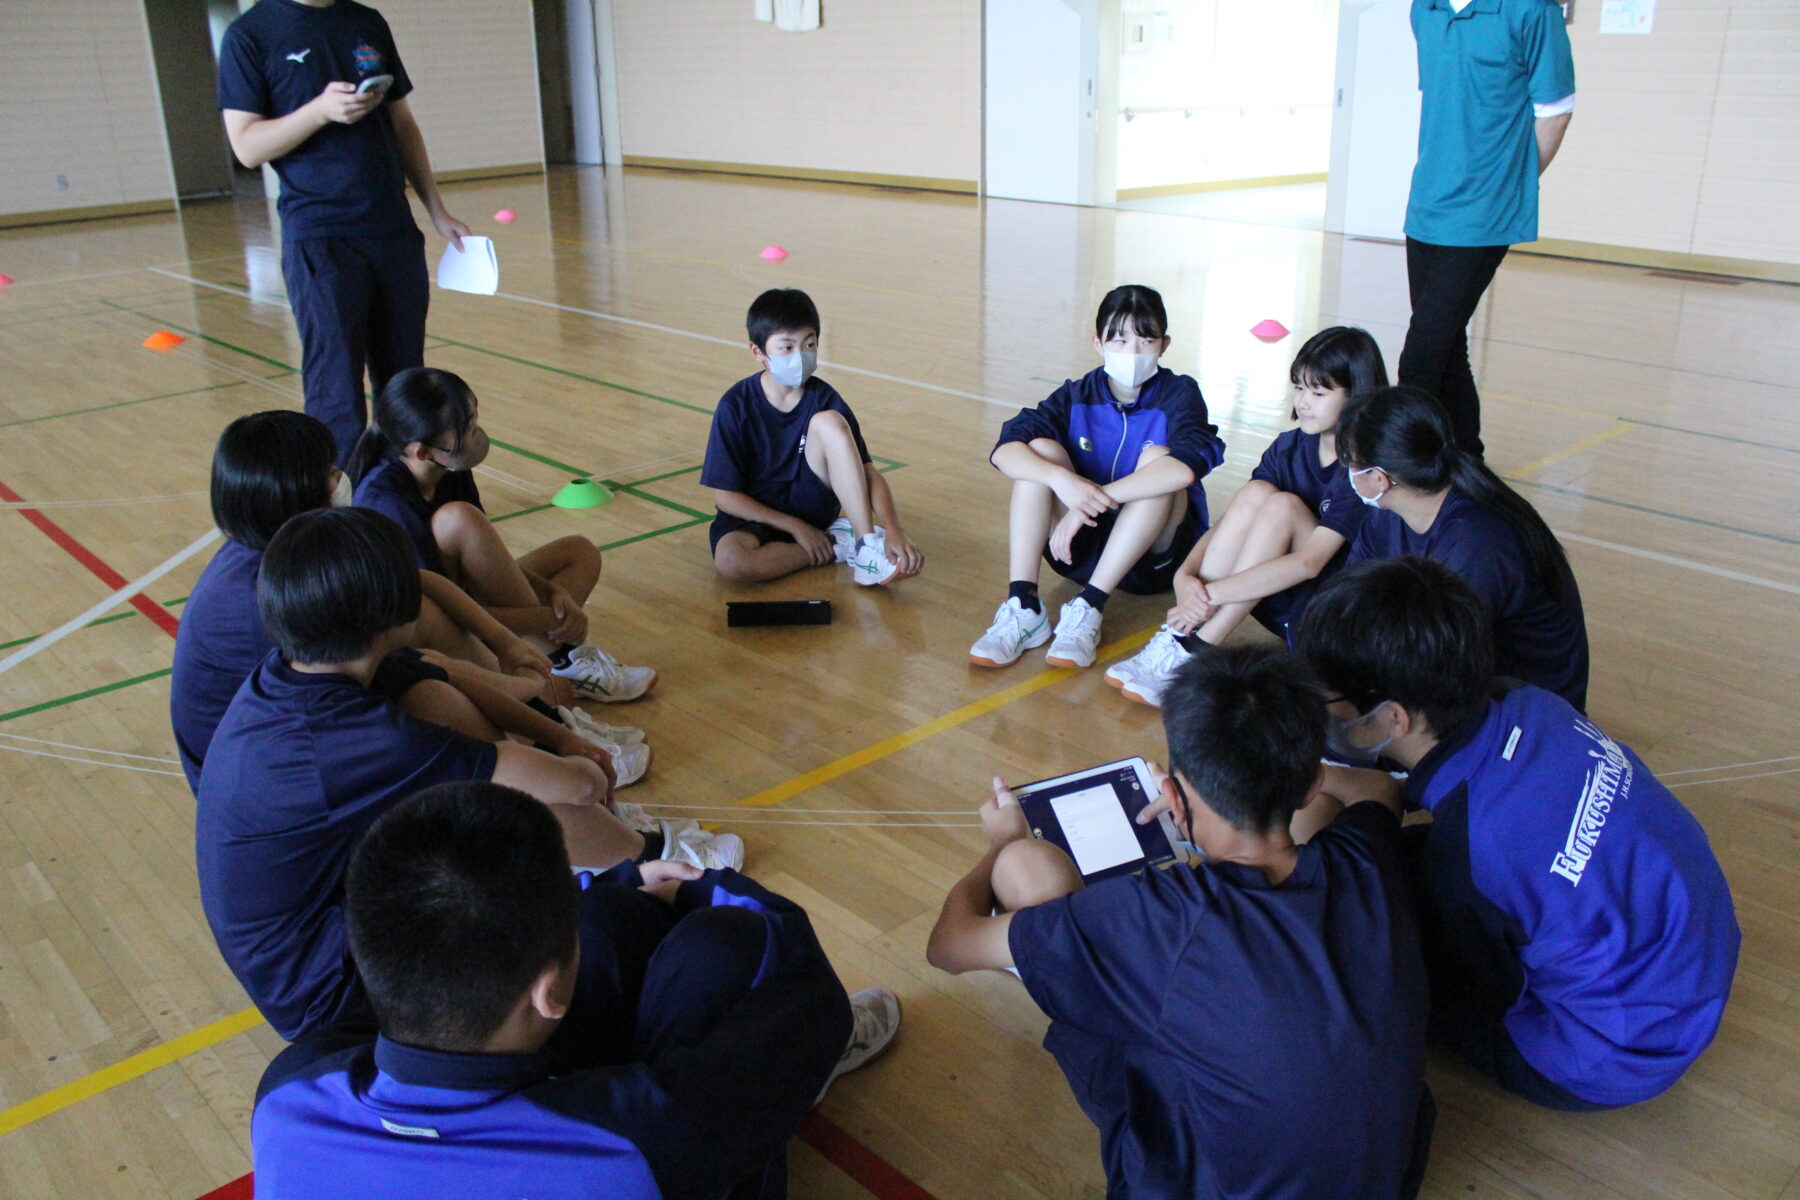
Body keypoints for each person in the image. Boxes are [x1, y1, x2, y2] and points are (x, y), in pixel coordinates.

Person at [195, 508, 736, 1041]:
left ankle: (627, 859)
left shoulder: (304, 671)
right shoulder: (348, 740)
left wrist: (561, 736)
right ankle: (643, 860)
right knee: (547, 853)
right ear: (390, 609)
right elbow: (569, 785)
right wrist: (587, 773)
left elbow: (443, 676)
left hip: (334, 924)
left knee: (438, 702)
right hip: (331, 995)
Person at [927, 647, 1433, 1199]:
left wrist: (1000, 843)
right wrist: (1270, 766)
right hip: (1389, 1182)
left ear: (1171, 795)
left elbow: (948, 946)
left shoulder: (1160, 916)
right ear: (1309, 778)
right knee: (1320, 822)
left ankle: (1046, 954)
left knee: (1027, 866)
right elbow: (1381, 789)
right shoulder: (1363, 860)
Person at [250, 782, 902, 1200]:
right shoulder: (634, 1145)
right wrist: (704, 885)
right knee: (728, 954)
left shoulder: (285, 1096)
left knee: (608, 924)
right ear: (547, 995)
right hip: (661, 1156)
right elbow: (803, 986)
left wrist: (606, 892)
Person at [1296, 557, 1740, 1110]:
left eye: (1329, 701)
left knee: (1369, 951)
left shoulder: (1471, 860)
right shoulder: (1532, 702)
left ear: (1394, 719)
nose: (1322, 714)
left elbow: (1484, 976)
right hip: (1689, 952)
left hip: (1617, 1056)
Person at [169, 411, 593, 793]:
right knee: (433, 696)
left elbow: (420, 582)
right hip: (274, 777)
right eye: (326, 472)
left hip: (296, 739)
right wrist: (528, 690)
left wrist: (506, 643)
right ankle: (539, 768)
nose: (339, 479)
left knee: (427, 624)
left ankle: (544, 730)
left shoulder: (281, 545)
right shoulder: (272, 596)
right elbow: (424, 669)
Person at [217, 0, 470, 463]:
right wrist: (319, 111)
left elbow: (403, 125)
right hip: (320, 238)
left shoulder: (366, 21)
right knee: (335, 389)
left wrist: (436, 209)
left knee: (405, 384)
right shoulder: (249, 35)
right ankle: (347, 516)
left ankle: (406, 502)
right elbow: (247, 146)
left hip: (392, 232)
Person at [1107, 326, 1388, 707]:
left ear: (1357, 396)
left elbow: (1310, 563)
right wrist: (1185, 577)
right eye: (1299, 388)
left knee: (1282, 506)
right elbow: (1230, 521)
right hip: (1272, 597)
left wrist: (1209, 596)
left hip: (1332, 613)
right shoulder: (1289, 446)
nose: (1304, 402)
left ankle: (1198, 645)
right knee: (1257, 493)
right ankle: (1179, 635)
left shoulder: (1362, 466)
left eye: (1319, 393)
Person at [349, 367, 657, 704]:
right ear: (422, 451)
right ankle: (563, 656)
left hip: (466, 596)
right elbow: (446, 610)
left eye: (473, 420)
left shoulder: (447, 466)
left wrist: (556, 595)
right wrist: (556, 617)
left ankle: (558, 657)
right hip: (433, 628)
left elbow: (492, 562)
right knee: (459, 518)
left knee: (579, 552)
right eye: (466, 429)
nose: (474, 432)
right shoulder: (385, 503)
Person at [970, 285, 1224, 670]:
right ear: (1098, 342)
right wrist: (1061, 480)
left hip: (1150, 560)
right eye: (1119, 340)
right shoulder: (1077, 395)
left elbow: (1187, 466)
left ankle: (1090, 606)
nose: (1133, 353)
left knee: (1160, 461)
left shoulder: (1179, 395)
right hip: (1074, 548)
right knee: (1040, 453)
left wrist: (1094, 498)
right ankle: (1023, 605)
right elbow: (1004, 450)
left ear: (1164, 344)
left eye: (1146, 340)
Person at [1338, 384, 1589, 710]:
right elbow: (1348, 601)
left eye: (1351, 463)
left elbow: (1438, 663)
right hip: (1454, 673)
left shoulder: (1478, 542)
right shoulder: (1388, 513)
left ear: (1378, 479)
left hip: (1526, 710)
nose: (1347, 472)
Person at [1401, 0, 1576, 455]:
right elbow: (1445, 100)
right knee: (1446, 345)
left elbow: (1555, 111)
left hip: (1484, 215)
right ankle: (1467, 462)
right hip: (1426, 206)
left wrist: (1508, 187)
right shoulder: (1426, 10)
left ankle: (1401, 472)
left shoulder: (1532, 12)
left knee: (1419, 359)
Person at [702, 288, 923, 586]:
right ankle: (835, 546)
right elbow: (725, 497)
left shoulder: (825, 399)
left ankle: (865, 545)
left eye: (809, 345)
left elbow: (867, 473)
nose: (800, 356)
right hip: (754, 515)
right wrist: (793, 527)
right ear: (758, 352)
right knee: (732, 563)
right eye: (787, 347)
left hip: (811, 504)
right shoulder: (735, 405)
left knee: (830, 423)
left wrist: (894, 529)